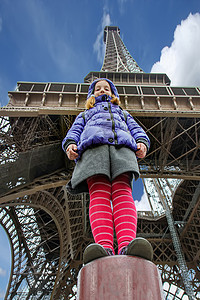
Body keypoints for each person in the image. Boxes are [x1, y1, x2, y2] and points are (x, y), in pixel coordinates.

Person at [62, 78, 153, 264]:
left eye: (107, 88)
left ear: (114, 94)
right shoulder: (84, 115)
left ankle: (127, 244)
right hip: (94, 151)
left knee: (123, 193)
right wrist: (70, 145)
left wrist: (143, 142)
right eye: (98, 89)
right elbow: (74, 132)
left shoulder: (123, 112)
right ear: (91, 95)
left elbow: (136, 130)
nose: (102, 91)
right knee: (99, 195)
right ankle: (104, 246)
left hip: (122, 150)